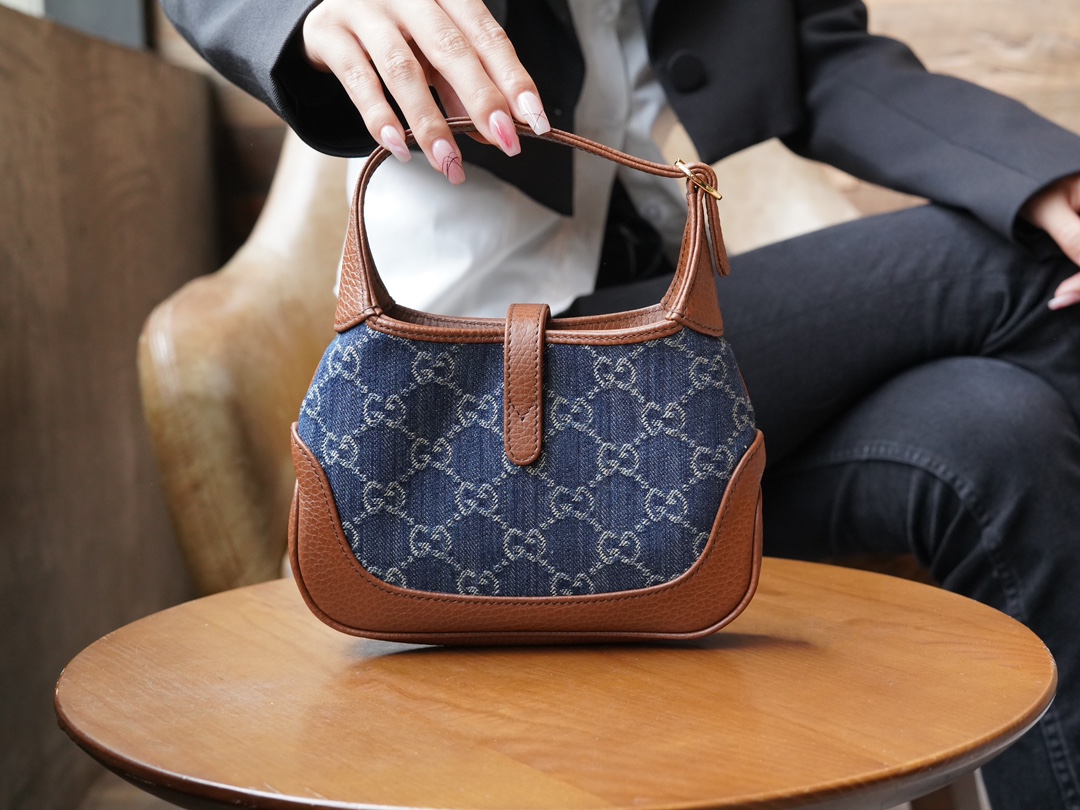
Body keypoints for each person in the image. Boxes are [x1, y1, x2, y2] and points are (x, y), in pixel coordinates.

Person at [161, 1, 1080, 806]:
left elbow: (821, 55)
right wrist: (308, 11)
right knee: (1020, 268)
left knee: (1000, 429)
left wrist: (1042, 171)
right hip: (457, 372)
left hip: (671, 399)